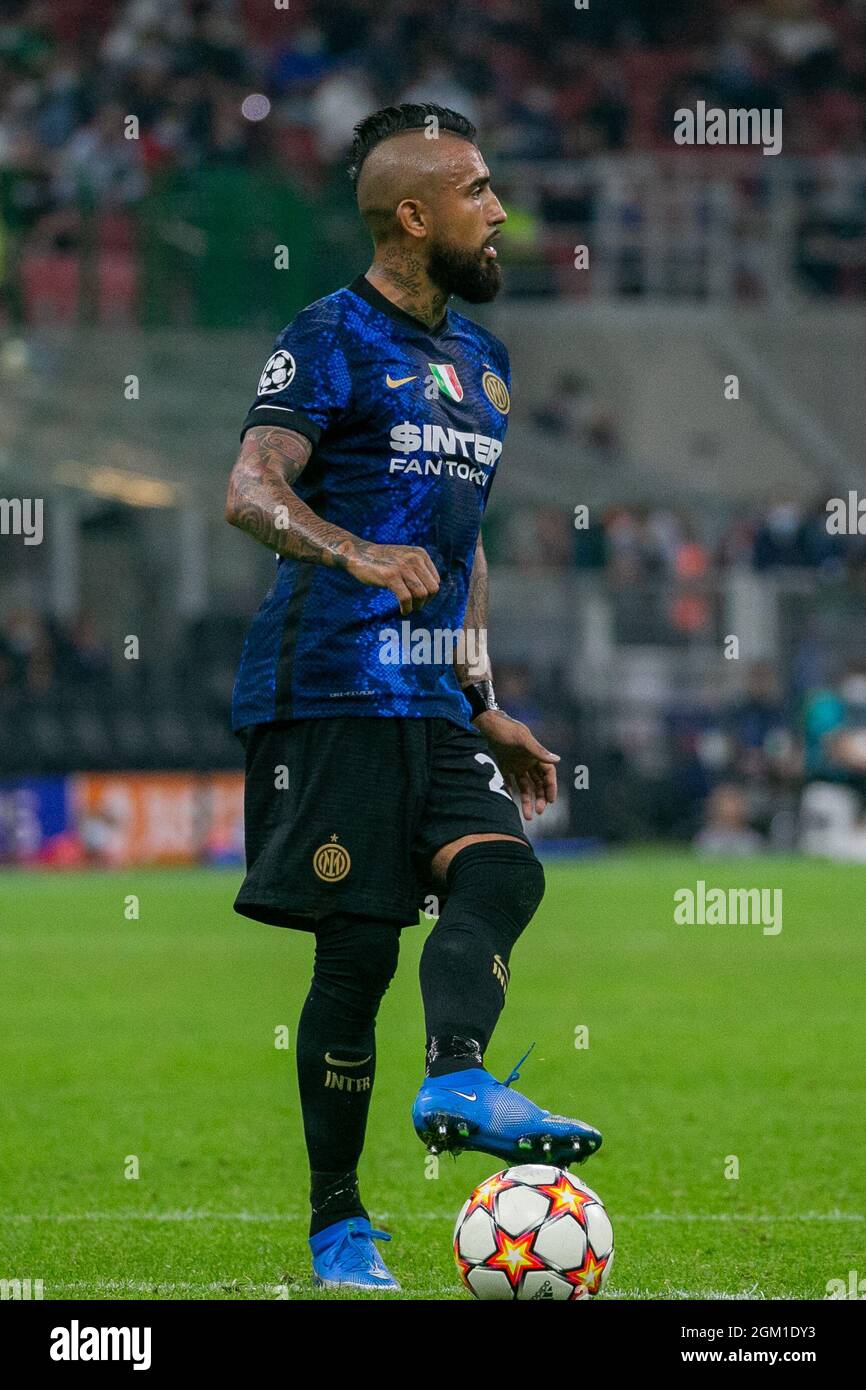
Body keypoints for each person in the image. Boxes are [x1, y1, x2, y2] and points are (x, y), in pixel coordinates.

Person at [224, 102, 601, 1292]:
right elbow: (248, 488)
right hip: (329, 686)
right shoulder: (328, 334)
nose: (500, 212)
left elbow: (465, 543)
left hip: (431, 700)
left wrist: (482, 695)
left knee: (501, 865)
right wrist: (350, 551)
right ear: (412, 214)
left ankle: (454, 1076)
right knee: (355, 958)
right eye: (480, 192)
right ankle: (339, 1225)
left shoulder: (483, 365)